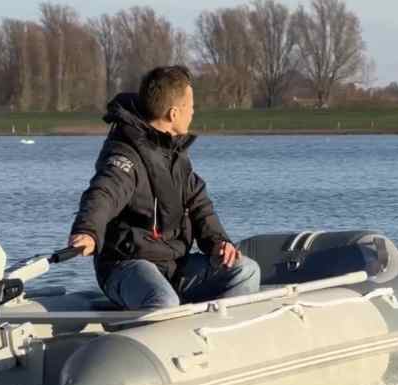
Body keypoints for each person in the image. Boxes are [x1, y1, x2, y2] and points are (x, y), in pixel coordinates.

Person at [68, 65, 261, 309]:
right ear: (173, 114)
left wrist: (219, 243)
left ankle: (211, 335)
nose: (193, 112)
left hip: (174, 264)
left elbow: (200, 205)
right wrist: (88, 231)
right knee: (164, 302)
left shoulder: (175, 153)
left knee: (247, 271)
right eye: (190, 107)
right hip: (126, 266)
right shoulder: (125, 154)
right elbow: (104, 193)